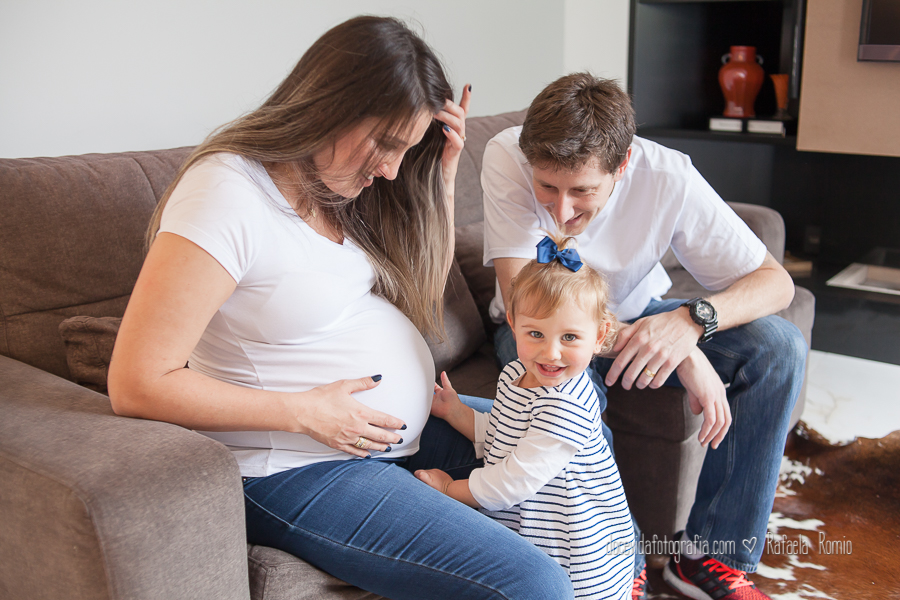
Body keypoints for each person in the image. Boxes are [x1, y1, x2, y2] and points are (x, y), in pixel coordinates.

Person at [108, 16, 576, 600]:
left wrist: (437, 174)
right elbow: (135, 383)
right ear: (330, 104)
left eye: (404, 151)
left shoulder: (334, 187)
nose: (389, 169)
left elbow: (424, 301)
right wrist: (303, 412)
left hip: (388, 433)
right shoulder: (226, 191)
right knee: (533, 584)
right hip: (293, 465)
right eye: (386, 144)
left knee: (579, 456)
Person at [482, 73, 808, 600]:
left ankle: (709, 559)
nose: (561, 213)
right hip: (539, 327)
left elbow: (776, 283)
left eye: (582, 191)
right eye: (548, 187)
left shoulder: (667, 175)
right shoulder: (505, 154)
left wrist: (691, 324)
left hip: (637, 311)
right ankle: (617, 568)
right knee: (570, 391)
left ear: (623, 165)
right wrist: (683, 357)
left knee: (779, 349)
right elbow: (528, 301)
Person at [416, 232, 637, 600]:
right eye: (535, 333)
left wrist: (449, 489)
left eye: (569, 337)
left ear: (599, 336)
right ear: (513, 323)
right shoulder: (515, 374)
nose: (551, 353)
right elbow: (506, 434)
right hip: (540, 527)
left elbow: (511, 481)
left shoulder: (566, 407)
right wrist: (457, 413)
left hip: (577, 555)